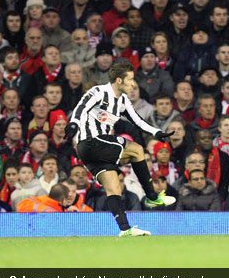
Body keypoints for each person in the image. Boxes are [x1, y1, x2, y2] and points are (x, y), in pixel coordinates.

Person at [65, 61, 175, 236]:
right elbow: (81, 107)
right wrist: (73, 124)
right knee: (138, 150)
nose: (132, 84)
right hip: (92, 141)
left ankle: (125, 229)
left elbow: (137, 120)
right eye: (130, 80)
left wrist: (157, 132)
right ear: (119, 80)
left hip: (91, 153)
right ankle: (152, 197)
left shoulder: (122, 100)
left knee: (114, 188)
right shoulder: (99, 91)